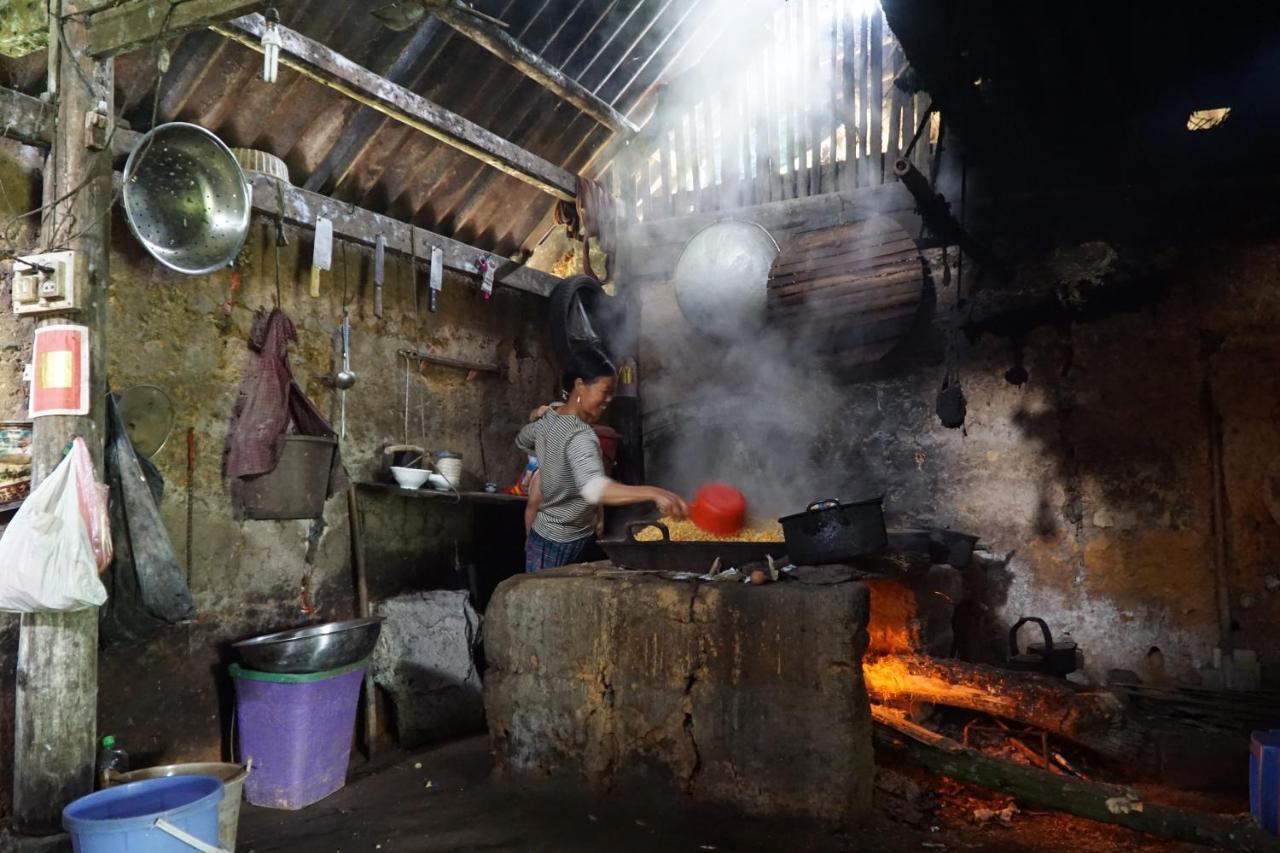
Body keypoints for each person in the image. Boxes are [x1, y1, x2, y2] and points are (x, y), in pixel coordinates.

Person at [517, 348, 687, 572]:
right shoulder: (580, 435)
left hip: (543, 536)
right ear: (579, 385)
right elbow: (594, 490)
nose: (609, 400)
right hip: (565, 542)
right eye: (605, 391)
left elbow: (522, 439)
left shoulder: (550, 418)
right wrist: (653, 492)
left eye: (612, 392)